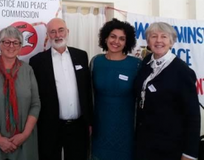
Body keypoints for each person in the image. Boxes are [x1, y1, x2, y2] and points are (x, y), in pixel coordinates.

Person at [134, 22, 200, 160]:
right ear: (148, 41)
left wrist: (189, 153)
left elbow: (192, 115)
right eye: (154, 36)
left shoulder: (182, 71)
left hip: (170, 147)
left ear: (171, 42)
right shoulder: (146, 63)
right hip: (144, 144)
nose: (158, 40)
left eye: (164, 36)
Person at [29, 18, 93, 160]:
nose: (57, 35)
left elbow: (87, 91)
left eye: (61, 30)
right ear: (47, 35)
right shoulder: (37, 61)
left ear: (67, 32)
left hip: (78, 125)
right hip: (50, 126)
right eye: (52, 32)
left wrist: (89, 121)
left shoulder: (81, 56)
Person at [0, 26, 40, 160]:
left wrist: (25, 135)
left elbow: (35, 104)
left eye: (16, 42)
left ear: (20, 46)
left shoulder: (28, 70)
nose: (11, 46)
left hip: (24, 145)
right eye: (6, 42)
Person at [90, 18, 141, 160]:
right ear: (105, 38)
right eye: (113, 36)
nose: (116, 42)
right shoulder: (96, 61)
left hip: (126, 128)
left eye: (122, 39)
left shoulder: (136, 65)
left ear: (127, 42)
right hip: (100, 127)